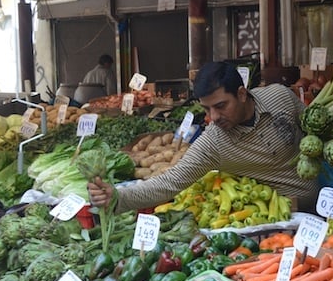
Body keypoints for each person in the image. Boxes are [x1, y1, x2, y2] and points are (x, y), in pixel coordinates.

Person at [88, 61, 319, 213]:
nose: (214, 117)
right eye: (207, 109)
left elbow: (316, 130)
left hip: (329, 199)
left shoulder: (280, 97)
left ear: (241, 94)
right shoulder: (214, 143)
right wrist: (119, 197)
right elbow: (169, 183)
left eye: (220, 106)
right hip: (283, 214)